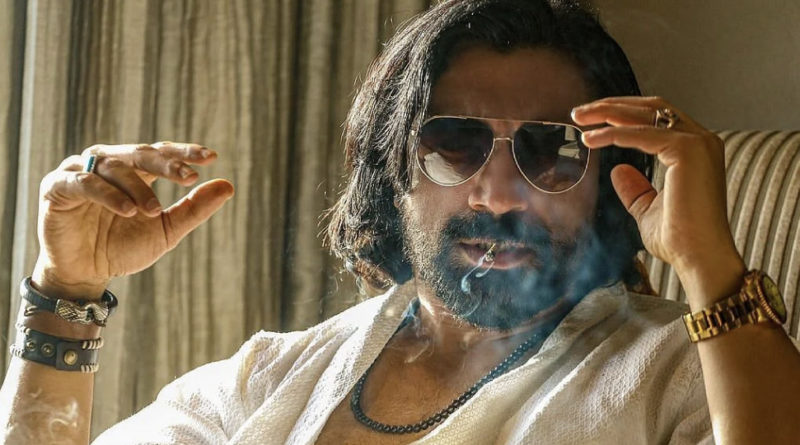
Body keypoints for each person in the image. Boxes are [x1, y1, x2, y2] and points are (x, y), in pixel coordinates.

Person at [1, 0, 799, 444]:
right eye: (452, 144)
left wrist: (712, 268)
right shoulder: (275, 377)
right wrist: (67, 288)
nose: (497, 195)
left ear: (610, 180)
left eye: (551, 151)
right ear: (393, 175)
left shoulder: (682, 374)